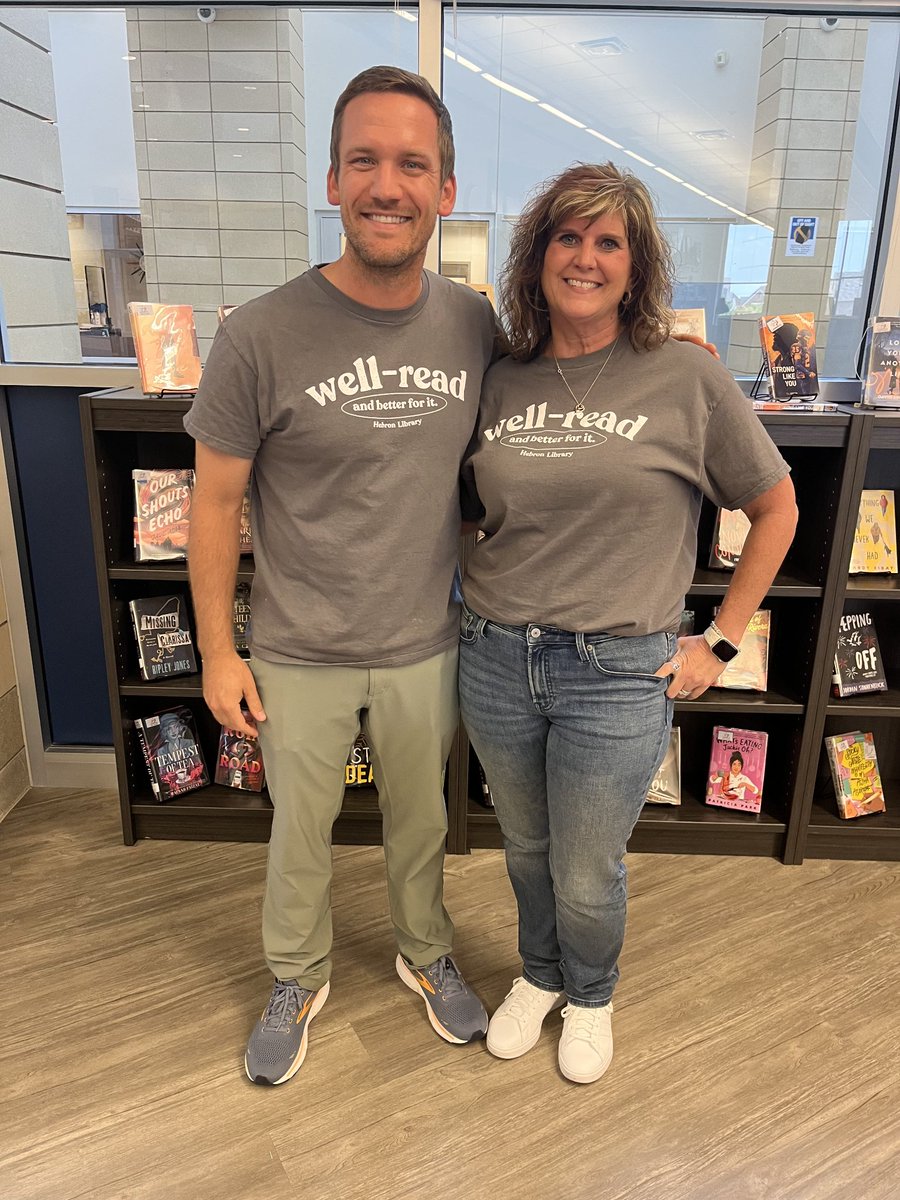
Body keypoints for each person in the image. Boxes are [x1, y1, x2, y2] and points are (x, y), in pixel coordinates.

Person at [184, 66, 499, 1086]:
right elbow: (215, 507)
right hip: (297, 648)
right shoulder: (258, 336)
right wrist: (220, 652)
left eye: (413, 164)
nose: (387, 184)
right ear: (332, 179)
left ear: (445, 191)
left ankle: (424, 954)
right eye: (365, 159)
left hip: (426, 641)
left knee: (423, 824)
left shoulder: (475, 328)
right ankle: (296, 977)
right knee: (298, 837)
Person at [458, 162, 798, 1085]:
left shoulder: (684, 377)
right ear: (537, 259)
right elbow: (466, 512)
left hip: (616, 670)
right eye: (568, 237)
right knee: (525, 847)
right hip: (495, 657)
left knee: (585, 863)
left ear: (637, 266)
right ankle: (539, 975)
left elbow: (777, 508)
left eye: (609, 242)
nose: (586, 257)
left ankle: (593, 993)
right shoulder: (502, 381)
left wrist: (720, 639)